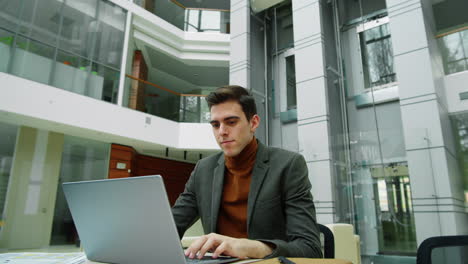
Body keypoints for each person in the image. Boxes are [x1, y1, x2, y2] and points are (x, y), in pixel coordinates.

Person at [171, 85, 322, 260]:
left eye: (231, 122)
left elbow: (310, 249)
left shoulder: (288, 165)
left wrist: (251, 247)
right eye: (215, 124)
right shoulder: (203, 170)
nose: (222, 132)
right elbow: (171, 227)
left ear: (253, 123)